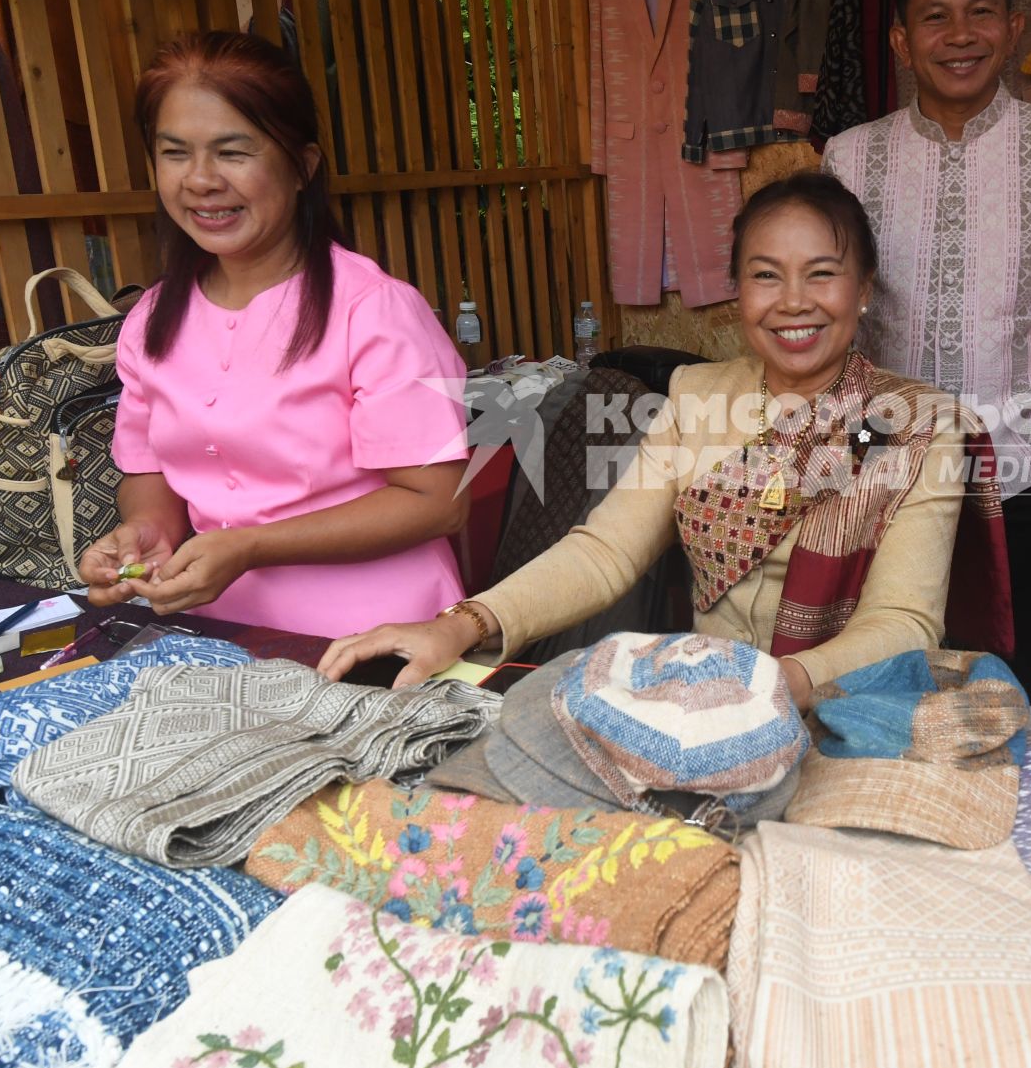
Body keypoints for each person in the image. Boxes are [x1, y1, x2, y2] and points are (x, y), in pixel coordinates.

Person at [321, 172, 979, 704]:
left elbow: (905, 623)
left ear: (863, 291)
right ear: (739, 291)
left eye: (822, 273)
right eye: (766, 274)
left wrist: (782, 689)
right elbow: (604, 553)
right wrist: (459, 625)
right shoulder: (696, 398)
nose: (793, 301)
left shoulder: (921, 425)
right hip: (705, 711)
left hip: (848, 714)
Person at [821, 0, 1031, 703]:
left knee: (1002, 674)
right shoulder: (849, 156)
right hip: (885, 460)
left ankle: (1000, 817)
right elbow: (830, 315)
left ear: (1014, 27)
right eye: (935, 16)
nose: (960, 36)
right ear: (900, 39)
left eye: (981, 12)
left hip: (1027, 463)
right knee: (882, 665)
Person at [78, 31, 472, 638]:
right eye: (175, 153)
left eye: (233, 152)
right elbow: (148, 471)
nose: (201, 180)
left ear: (302, 167)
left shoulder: (374, 310)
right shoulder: (151, 319)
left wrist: (249, 547)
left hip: (379, 637)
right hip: (216, 632)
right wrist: (147, 533)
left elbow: (439, 501)